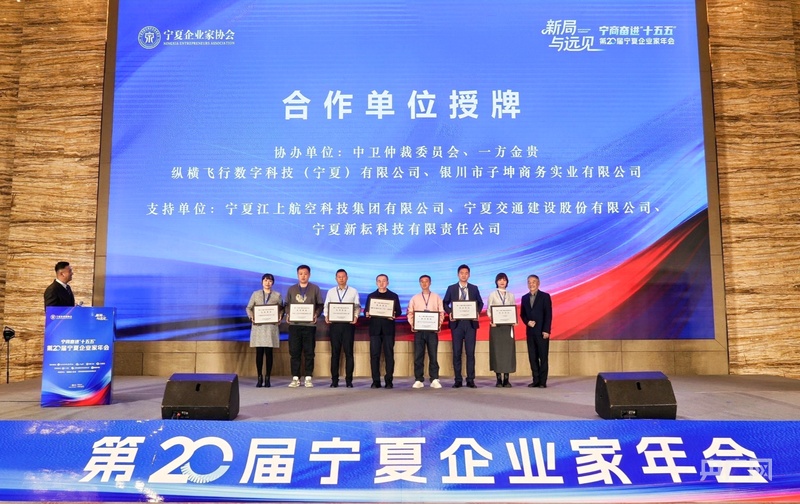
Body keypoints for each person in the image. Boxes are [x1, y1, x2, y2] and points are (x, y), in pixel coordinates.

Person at [443, 264, 484, 388]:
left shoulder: (474, 288)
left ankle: (470, 379)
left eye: (466, 273)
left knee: (470, 353)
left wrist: (477, 312)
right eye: (462, 273)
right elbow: (445, 303)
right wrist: (450, 312)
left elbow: (480, 303)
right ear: (458, 274)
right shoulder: (451, 288)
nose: (464, 275)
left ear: (469, 275)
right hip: (457, 324)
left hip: (471, 324)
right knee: (457, 352)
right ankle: (458, 380)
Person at [284, 264, 323, 388]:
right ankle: (295, 377)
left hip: (310, 325)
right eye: (301, 274)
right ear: (297, 275)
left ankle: (308, 377)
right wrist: (288, 314)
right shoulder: (291, 289)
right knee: (294, 351)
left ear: (309, 275)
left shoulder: (315, 288)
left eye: (305, 274)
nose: (303, 276)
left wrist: (316, 314)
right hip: (294, 325)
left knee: (309, 352)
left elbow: (320, 305)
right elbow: (286, 305)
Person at [324, 269, 361, 388]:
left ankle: (349, 380)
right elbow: (326, 306)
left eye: (343, 276)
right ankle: (334, 380)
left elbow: (357, 306)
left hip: (348, 325)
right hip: (335, 325)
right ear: (336, 278)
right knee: (335, 353)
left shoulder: (353, 291)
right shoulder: (331, 292)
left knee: (349, 353)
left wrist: (355, 316)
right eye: (339, 277)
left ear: (347, 277)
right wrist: (326, 316)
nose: (341, 278)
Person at [245, 273, 283, 388]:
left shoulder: (277, 295)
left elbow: (281, 309)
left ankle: (268, 378)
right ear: (262, 282)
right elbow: (248, 308)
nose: (268, 283)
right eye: (266, 280)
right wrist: (252, 317)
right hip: (259, 328)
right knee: (259, 353)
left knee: (269, 353)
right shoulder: (255, 294)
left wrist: (280, 316)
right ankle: (259, 377)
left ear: (273, 283)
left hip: (271, 328)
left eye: (270, 281)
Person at [407, 275, 445, 389]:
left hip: (432, 331)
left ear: (430, 283)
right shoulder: (415, 298)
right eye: (422, 282)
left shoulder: (436, 297)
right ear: (419, 283)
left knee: (433, 355)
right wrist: (413, 324)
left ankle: (434, 378)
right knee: (418, 355)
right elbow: (410, 313)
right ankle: (419, 379)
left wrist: (438, 325)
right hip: (419, 331)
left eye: (426, 281)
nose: (424, 283)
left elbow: (441, 312)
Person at [365, 273, 402, 389]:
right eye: (379, 281)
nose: (381, 283)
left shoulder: (393, 296)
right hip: (375, 330)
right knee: (374, 355)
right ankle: (375, 381)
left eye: (384, 281)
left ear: (388, 282)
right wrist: (367, 313)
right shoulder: (371, 296)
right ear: (376, 283)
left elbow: (399, 311)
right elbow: (366, 311)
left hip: (388, 330)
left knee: (389, 355)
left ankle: (389, 381)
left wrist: (394, 315)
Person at [520, 274, 553, 388]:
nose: (531, 284)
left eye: (533, 282)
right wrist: (527, 322)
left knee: (543, 357)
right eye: (529, 282)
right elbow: (522, 314)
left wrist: (546, 330)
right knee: (532, 357)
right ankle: (535, 380)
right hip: (530, 332)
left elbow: (548, 315)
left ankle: (543, 381)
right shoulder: (524, 298)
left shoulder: (545, 296)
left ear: (538, 283)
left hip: (542, 332)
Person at [487, 272, 517, 388]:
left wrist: (514, 320)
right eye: (500, 280)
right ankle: (499, 379)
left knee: (508, 353)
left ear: (507, 282)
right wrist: (493, 319)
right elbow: (489, 310)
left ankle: (507, 379)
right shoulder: (492, 294)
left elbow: (513, 309)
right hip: (496, 327)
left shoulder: (511, 295)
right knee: (497, 352)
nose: (502, 282)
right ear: (496, 282)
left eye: (504, 280)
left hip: (508, 327)